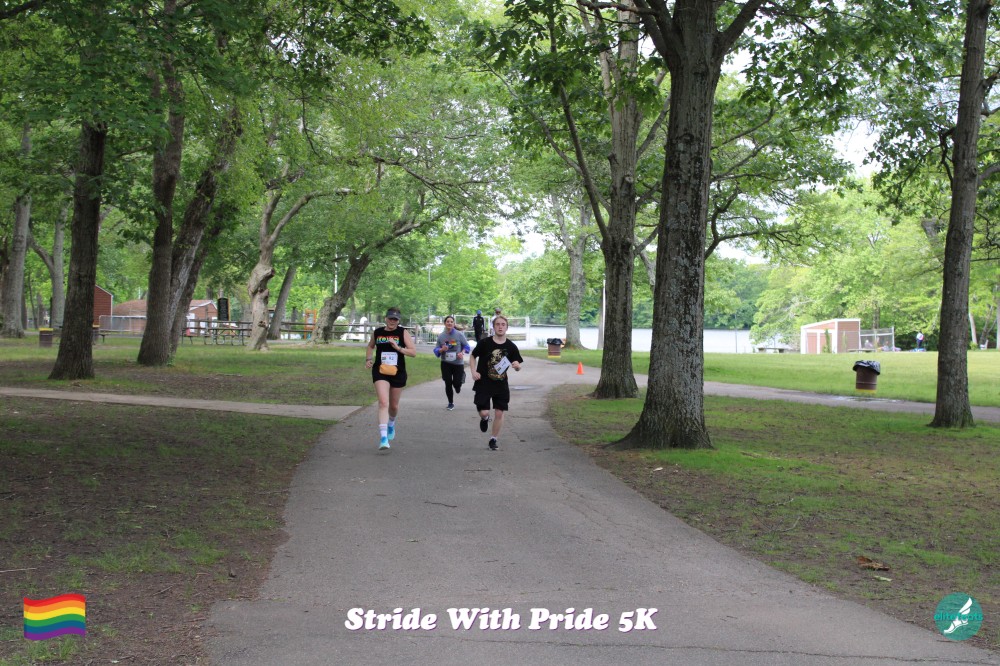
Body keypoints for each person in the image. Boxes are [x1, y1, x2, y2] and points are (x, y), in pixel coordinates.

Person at [365, 308, 416, 450]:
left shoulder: (402, 332)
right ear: (385, 318)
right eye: (390, 318)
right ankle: (383, 438)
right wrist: (368, 359)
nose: (392, 321)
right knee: (383, 402)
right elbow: (370, 346)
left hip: (397, 372)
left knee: (393, 406)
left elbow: (413, 352)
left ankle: (391, 424)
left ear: (398, 321)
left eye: (395, 319)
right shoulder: (378, 332)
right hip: (380, 371)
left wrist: (398, 348)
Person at [471, 315, 523, 451]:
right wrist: (473, 371)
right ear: (493, 327)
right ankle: (484, 418)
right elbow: (473, 356)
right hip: (483, 383)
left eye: (503, 324)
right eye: (498, 324)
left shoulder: (511, 346)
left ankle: (493, 439)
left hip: (501, 384)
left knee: (499, 413)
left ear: (507, 327)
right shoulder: (484, 343)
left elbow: (517, 364)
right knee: (484, 412)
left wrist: (517, 366)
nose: (500, 327)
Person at [434, 315, 471, 410]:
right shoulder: (441, 336)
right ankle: (450, 403)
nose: (449, 323)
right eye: (448, 321)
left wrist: (462, 353)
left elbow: (466, 346)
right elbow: (436, 350)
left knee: (456, 384)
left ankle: (459, 383)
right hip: (445, 363)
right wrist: (441, 349)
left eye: (451, 322)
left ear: (454, 324)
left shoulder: (459, 335)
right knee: (448, 382)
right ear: (445, 323)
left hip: (458, 363)